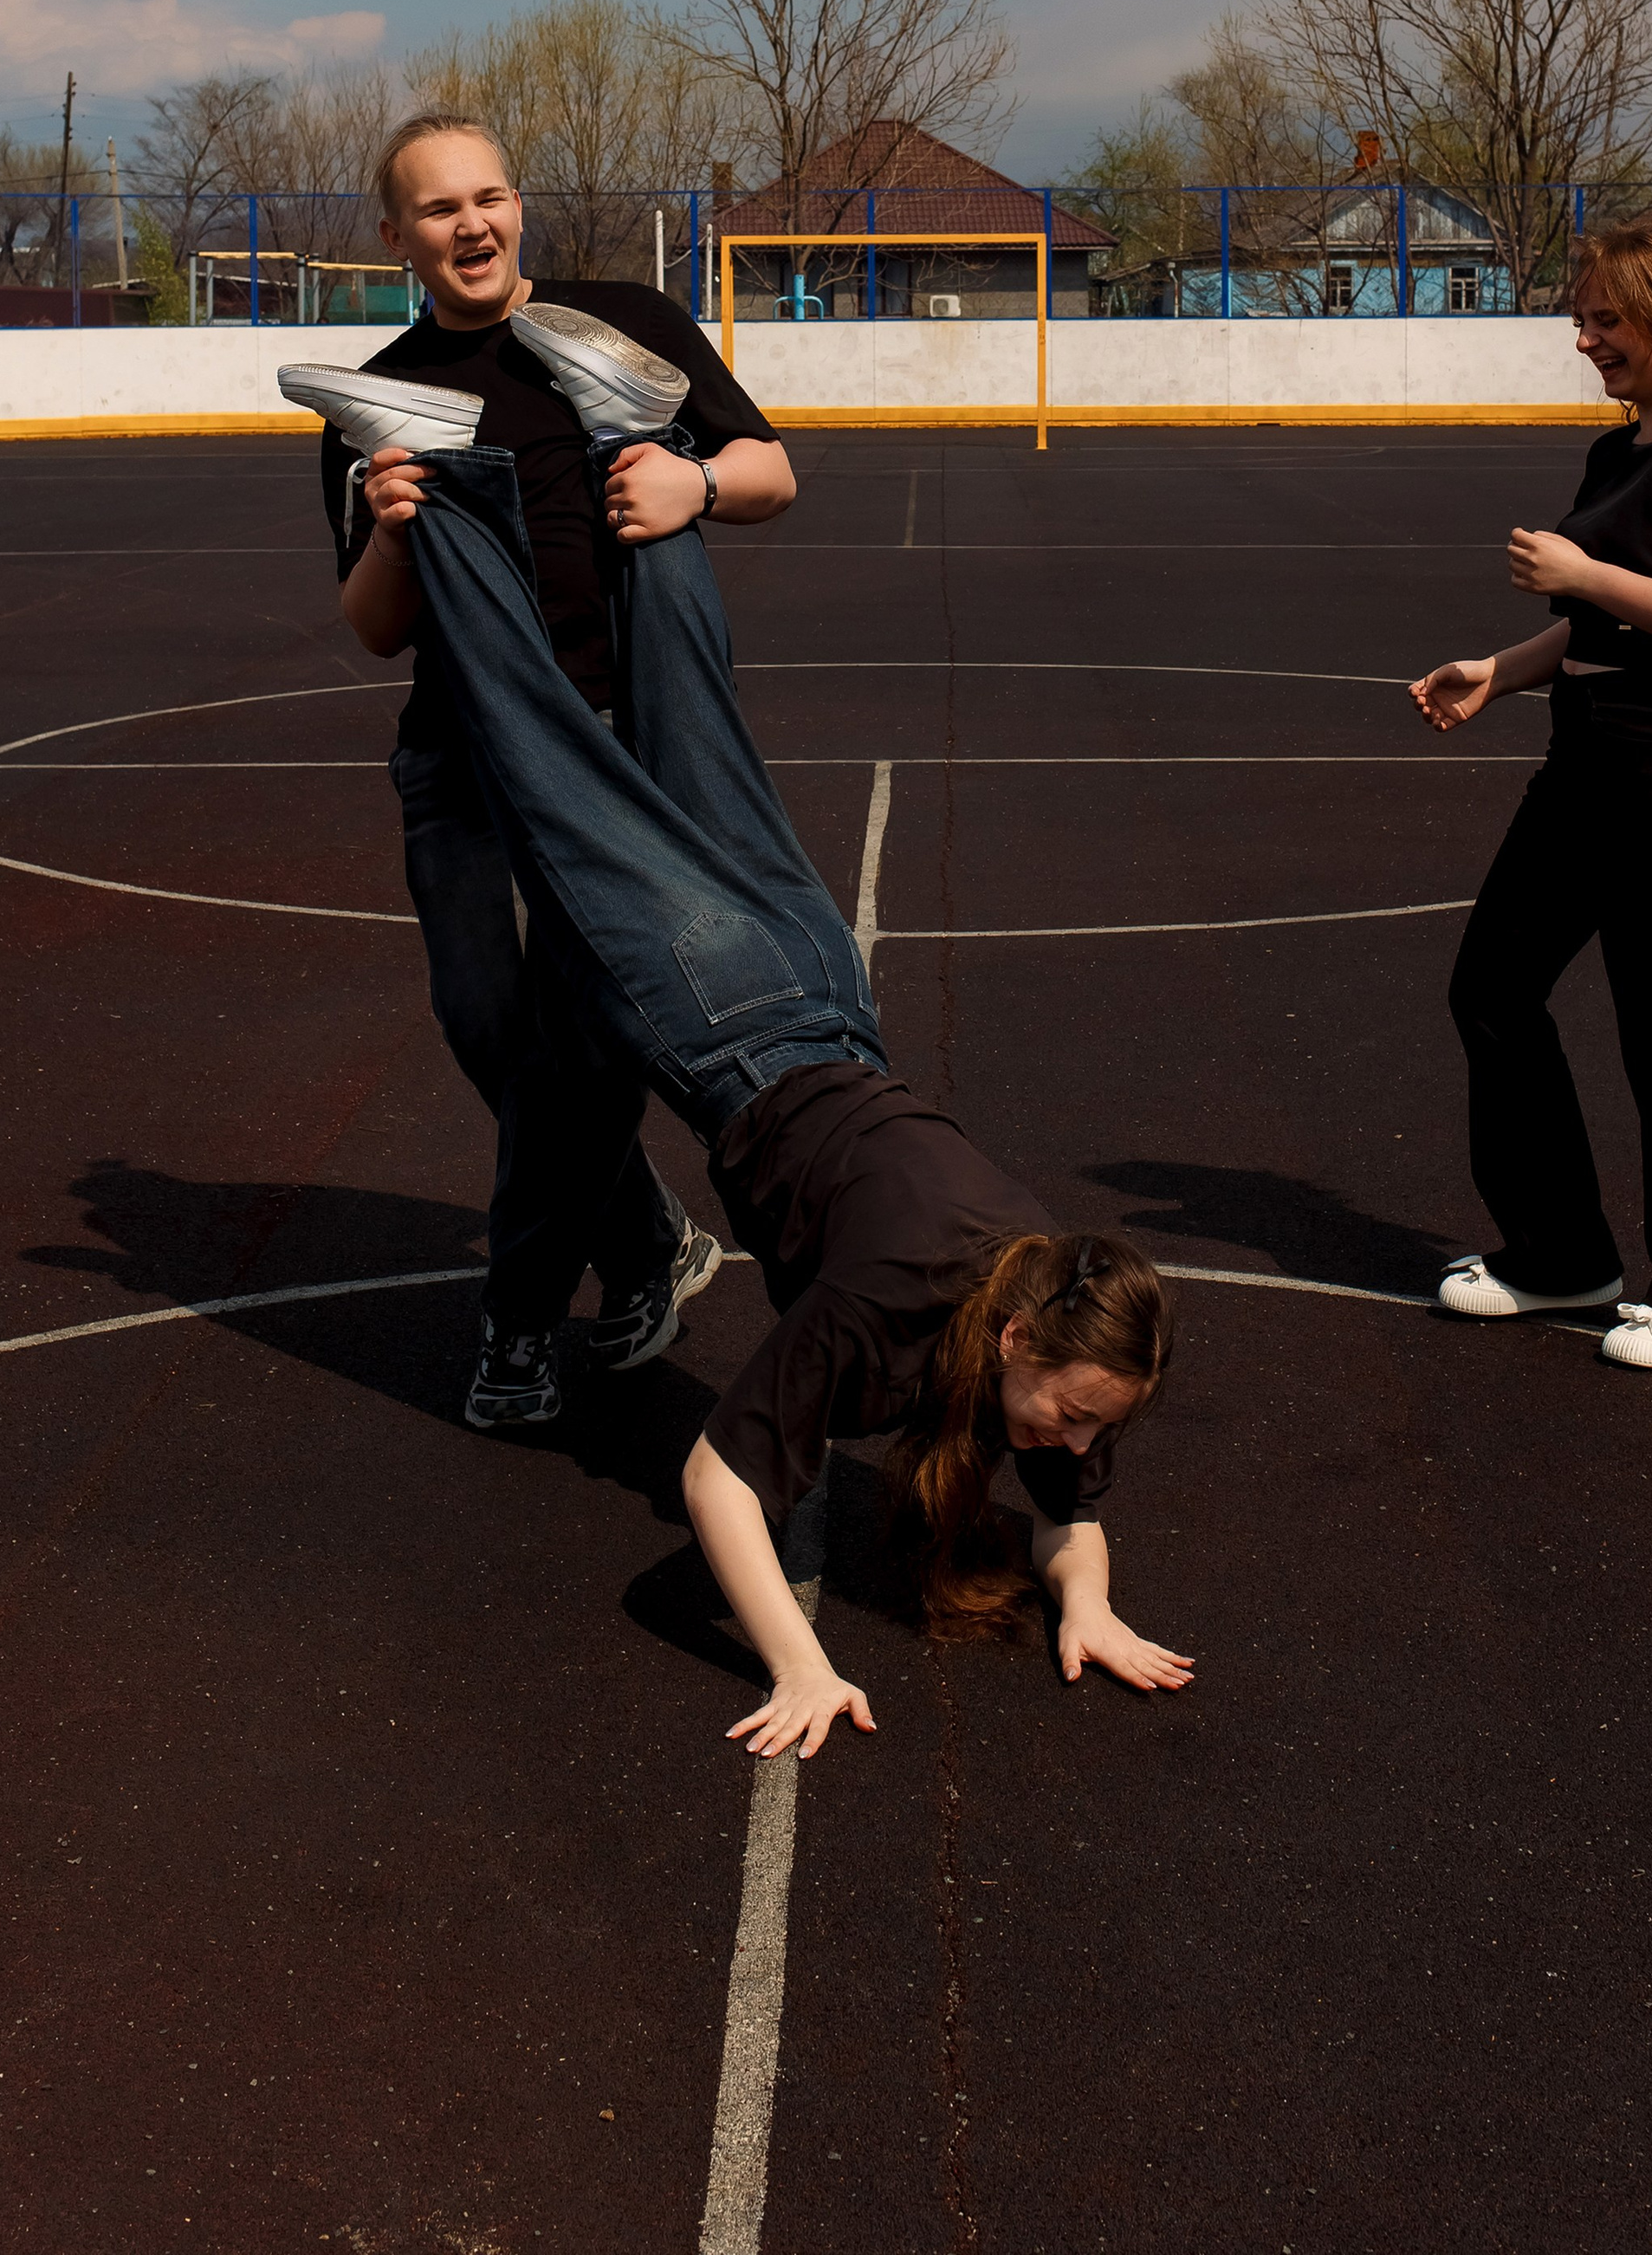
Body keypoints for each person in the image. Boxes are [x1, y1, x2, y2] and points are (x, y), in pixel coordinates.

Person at [337, 342, 1192, 1756]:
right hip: (723, 1015)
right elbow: (721, 1489)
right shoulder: (898, 1306)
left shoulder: (1041, 1294)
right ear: (1025, 1337)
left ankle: (629, 433)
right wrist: (794, 1665)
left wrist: (1087, 1600)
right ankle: (459, 475)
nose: (1079, 1446)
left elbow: (1066, 1514)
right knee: (544, 750)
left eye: (1098, 1427)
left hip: (817, 982)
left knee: (690, 719)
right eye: (1078, 1414)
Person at [309, 111, 797, 1431]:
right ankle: (645, 1241)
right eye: (437, 208)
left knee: (579, 1044)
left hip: (611, 751)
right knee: (485, 1026)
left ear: (517, 207)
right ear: (396, 235)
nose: (470, 224)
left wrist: (694, 486)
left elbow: (772, 470)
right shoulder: (386, 390)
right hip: (460, 752)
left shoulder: (619, 320)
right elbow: (370, 627)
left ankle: (519, 1323)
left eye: (489, 196)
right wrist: (397, 527)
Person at [1411, 219, 1652, 1372]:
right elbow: (1595, 624)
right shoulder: (1618, 453)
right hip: (1588, 756)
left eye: (1606, 320)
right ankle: (1562, 1257)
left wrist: (1586, 572)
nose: (1586, 340)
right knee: (1494, 989)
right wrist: (1500, 671)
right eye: (1584, 320)